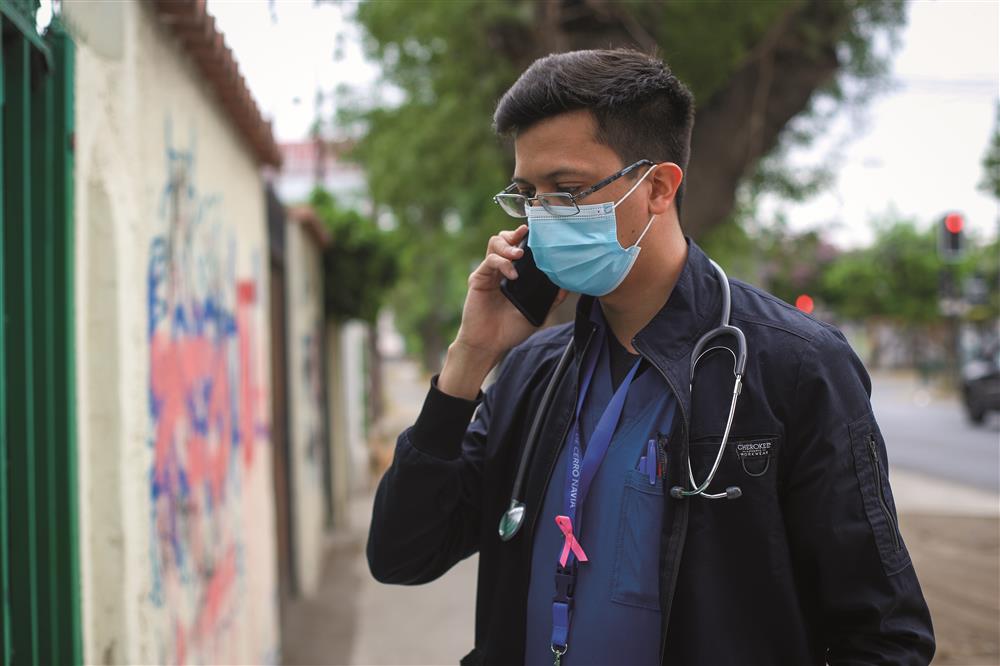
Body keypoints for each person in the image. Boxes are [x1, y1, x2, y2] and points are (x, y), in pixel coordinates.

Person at [367, 48, 935, 666]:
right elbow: (403, 555)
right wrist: (469, 358)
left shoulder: (794, 366)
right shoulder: (533, 372)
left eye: (568, 189)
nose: (542, 215)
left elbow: (886, 636)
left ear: (658, 187)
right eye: (529, 193)